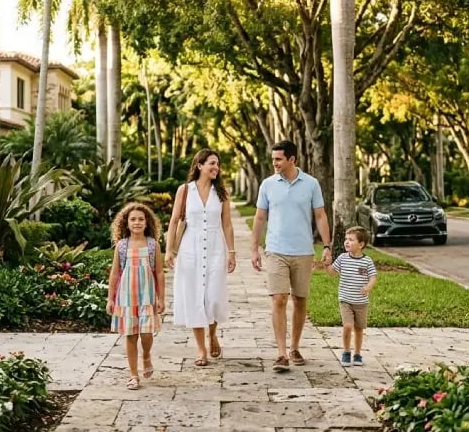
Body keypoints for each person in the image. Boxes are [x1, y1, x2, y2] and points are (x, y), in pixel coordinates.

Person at [250, 140, 332, 372]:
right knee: (279, 299)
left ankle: (295, 347)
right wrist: (254, 248)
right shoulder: (267, 184)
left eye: (278, 159)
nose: (274, 163)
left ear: (292, 160)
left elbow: (320, 215)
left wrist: (327, 246)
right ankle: (281, 353)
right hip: (275, 250)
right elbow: (259, 217)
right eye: (273, 159)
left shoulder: (311, 184)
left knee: (299, 300)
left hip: (303, 251)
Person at [166, 149, 237, 367]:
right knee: (195, 297)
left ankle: (212, 334)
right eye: (212, 164)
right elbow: (175, 220)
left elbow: (226, 223)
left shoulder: (222, 192)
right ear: (200, 165)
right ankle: (201, 349)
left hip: (215, 248)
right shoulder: (185, 190)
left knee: (214, 297)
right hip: (190, 248)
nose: (216, 168)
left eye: (218, 164)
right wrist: (169, 250)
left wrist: (232, 252)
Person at [107, 202, 166, 390]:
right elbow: (115, 273)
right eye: (133, 219)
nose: (137, 222)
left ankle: (146, 355)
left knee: (147, 333)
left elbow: (159, 273)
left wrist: (161, 298)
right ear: (126, 223)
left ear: (147, 222)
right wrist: (110, 298)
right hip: (126, 299)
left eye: (141, 219)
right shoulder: (122, 246)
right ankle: (133, 375)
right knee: (131, 335)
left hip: (147, 297)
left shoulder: (152, 245)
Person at [324, 226, 377, 367]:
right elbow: (333, 273)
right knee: (348, 326)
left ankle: (358, 353)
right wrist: (326, 265)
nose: (346, 242)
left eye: (351, 240)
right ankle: (346, 352)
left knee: (359, 329)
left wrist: (368, 287)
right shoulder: (342, 258)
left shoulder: (367, 261)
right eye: (346, 239)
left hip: (361, 302)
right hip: (345, 300)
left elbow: (373, 277)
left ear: (361, 244)